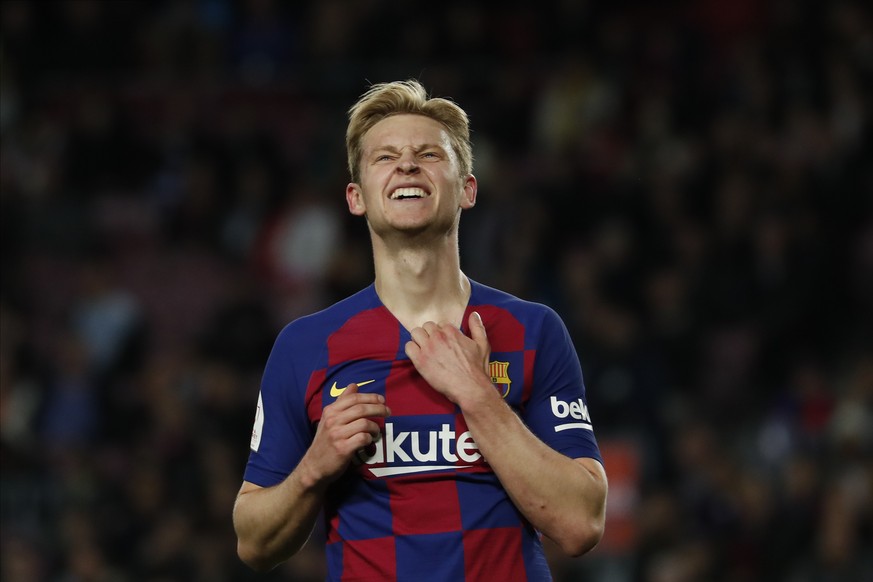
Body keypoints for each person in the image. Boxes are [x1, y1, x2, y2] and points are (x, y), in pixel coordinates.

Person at [233, 79, 608, 581]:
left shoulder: (532, 330)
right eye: (385, 157)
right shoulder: (306, 345)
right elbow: (253, 542)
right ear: (356, 197)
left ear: (467, 189)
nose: (407, 164)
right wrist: (314, 466)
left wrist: (478, 396)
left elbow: (582, 523)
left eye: (429, 154)